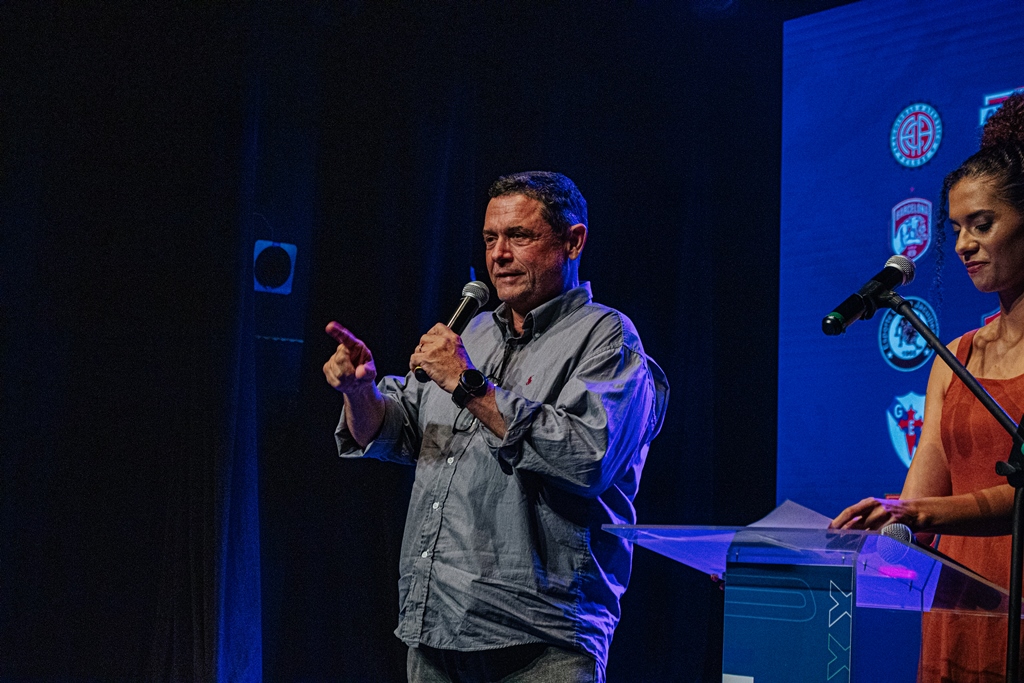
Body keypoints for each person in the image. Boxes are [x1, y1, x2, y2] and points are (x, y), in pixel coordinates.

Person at [322, 171, 669, 683]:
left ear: (573, 242)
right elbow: (399, 430)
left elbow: (587, 457)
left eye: (519, 236)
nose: (499, 255)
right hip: (437, 625)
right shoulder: (472, 332)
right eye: (490, 239)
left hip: (542, 640)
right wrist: (360, 392)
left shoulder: (607, 337)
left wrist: (468, 384)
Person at [831, 92, 1024, 682]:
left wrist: (914, 510)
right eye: (956, 228)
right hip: (959, 611)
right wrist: (811, 561)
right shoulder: (956, 356)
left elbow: (927, 508)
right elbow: (913, 514)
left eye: (982, 224)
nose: (962, 244)